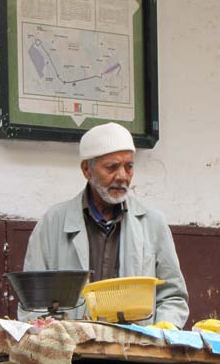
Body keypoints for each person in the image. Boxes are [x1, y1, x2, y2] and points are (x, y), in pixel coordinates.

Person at [21, 121, 189, 327]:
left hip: (137, 352)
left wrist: (163, 330)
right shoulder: (53, 222)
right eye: (112, 167)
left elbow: (173, 297)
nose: (122, 176)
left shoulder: (153, 223)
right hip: (75, 353)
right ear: (87, 170)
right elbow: (32, 303)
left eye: (129, 167)